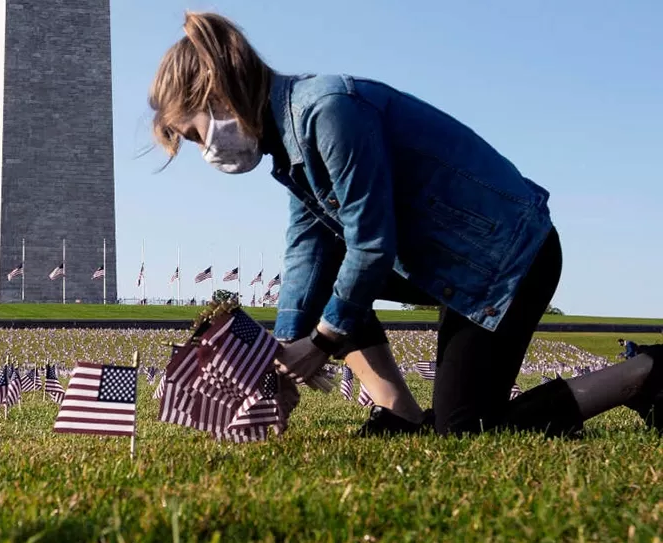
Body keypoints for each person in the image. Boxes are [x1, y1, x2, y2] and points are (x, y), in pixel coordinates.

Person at [147, 12, 663, 436]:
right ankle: (402, 414)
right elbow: (307, 252)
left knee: (467, 430)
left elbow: (370, 244)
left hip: (507, 261)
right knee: (328, 266)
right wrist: (282, 358)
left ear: (215, 92)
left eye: (192, 135)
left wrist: (321, 344)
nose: (203, 151)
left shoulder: (328, 110)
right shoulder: (289, 142)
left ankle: (646, 374)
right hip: (454, 267)